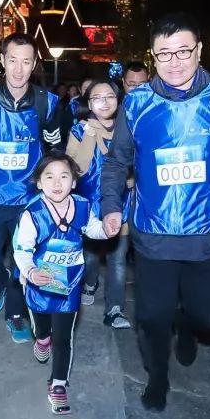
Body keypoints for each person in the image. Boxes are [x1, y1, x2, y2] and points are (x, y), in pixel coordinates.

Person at [100, 12, 210, 411]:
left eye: (183, 51)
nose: (174, 61)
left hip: (208, 235)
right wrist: (111, 207)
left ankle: (189, 325)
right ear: (153, 58)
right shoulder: (138, 102)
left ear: (198, 50)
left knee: (209, 319)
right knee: (151, 318)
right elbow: (116, 161)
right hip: (153, 234)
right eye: (164, 54)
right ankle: (157, 376)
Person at [0, 34, 63, 344]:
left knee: (24, 260)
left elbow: (54, 148)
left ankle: (16, 315)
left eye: (26, 62)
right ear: (2, 61)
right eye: (13, 61)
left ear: (34, 64)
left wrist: (52, 185)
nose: (19, 69)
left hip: (28, 199)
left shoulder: (47, 102)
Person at [13, 155, 110, 414]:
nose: (57, 183)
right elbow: (21, 250)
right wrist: (31, 272)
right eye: (49, 177)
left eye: (64, 176)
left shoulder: (82, 205)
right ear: (39, 183)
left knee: (64, 336)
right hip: (38, 284)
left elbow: (93, 228)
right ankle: (41, 339)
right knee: (43, 328)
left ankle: (58, 384)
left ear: (74, 182)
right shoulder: (32, 213)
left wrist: (107, 229)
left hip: (69, 284)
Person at [66, 78, 132, 328]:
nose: (104, 103)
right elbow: (76, 169)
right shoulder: (79, 130)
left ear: (118, 100)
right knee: (91, 258)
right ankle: (90, 283)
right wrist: (90, 137)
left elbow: (134, 167)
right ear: (89, 103)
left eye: (109, 97)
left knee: (117, 259)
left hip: (120, 205)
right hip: (89, 206)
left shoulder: (127, 130)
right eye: (97, 98)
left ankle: (115, 309)